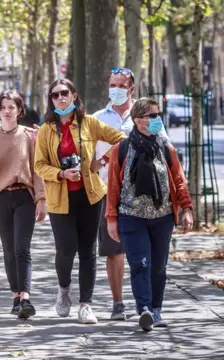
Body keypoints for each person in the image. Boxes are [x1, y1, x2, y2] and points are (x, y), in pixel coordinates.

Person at [34, 78, 126, 324]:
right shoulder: (46, 130)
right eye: (55, 95)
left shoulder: (89, 123)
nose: (61, 98)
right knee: (65, 250)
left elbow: (120, 140)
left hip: (90, 195)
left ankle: (86, 305)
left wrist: (102, 161)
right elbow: (39, 165)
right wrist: (61, 173)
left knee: (88, 251)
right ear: (51, 100)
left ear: (74, 96)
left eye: (65, 93)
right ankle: (64, 289)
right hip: (59, 198)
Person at [105, 97, 193, 332]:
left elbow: (178, 180)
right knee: (140, 263)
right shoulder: (122, 149)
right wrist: (111, 218)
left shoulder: (166, 146)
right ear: (138, 120)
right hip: (131, 216)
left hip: (163, 218)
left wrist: (187, 209)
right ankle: (144, 309)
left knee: (158, 267)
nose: (157, 120)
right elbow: (113, 185)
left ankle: (156, 309)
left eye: (157, 115)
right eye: (152, 116)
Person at [92, 67, 171, 321]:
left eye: (121, 85)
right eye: (112, 84)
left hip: (150, 199)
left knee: (146, 260)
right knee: (114, 251)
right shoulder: (97, 118)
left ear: (131, 89)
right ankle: (118, 303)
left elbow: (167, 151)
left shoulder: (148, 114)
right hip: (110, 195)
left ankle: (148, 306)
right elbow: (90, 160)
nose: (115, 89)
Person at [0, 90, 47, 318]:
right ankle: (15, 296)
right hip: (0, 198)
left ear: (19, 111)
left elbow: (38, 170)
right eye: (4, 107)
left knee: (21, 248)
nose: (7, 111)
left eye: (12, 107)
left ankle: (26, 297)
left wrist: (41, 199)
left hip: (24, 197)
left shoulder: (28, 136)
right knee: (8, 250)